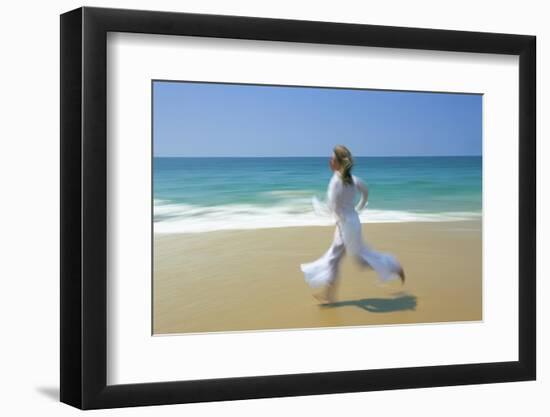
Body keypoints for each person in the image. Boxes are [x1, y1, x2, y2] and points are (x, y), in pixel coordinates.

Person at [300, 145, 405, 303]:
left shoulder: (336, 182)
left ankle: (393, 266)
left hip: (346, 226)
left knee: (356, 260)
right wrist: (358, 208)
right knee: (337, 259)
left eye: (332, 159)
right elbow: (365, 191)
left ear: (338, 162)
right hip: (351, 222)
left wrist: (317, 207)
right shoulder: (353, 180)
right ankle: (329, 294)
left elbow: (331, 207)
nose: (329, 161)